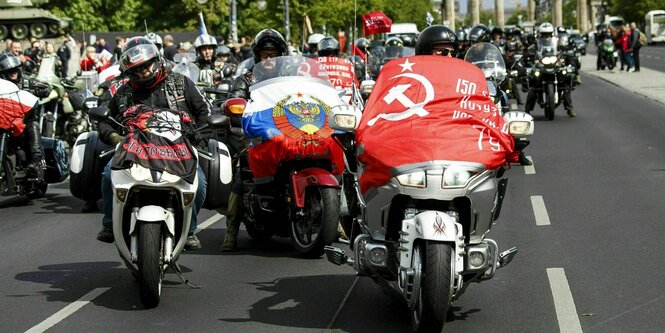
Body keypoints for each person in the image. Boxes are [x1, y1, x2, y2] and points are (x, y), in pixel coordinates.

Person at [95, 36, 210, 250]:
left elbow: (204, 112)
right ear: (129, 70)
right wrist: (114, 138)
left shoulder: (180, 83)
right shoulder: (123, 93)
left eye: (146, 65)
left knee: (200, 183)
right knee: (108, 173)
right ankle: (110, 224)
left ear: (156, 61)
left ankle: (190, 230)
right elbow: (103, 121)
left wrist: (199, 141)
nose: (143, 72)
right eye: (137, 69)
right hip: (135, 149)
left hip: (178, 148)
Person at [221, 28, 289, 251]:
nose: (268, 60)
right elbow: (236, 99)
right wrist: (237, 106)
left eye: (273, 55)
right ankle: (231, 230)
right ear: (257, 55)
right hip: (256, 135)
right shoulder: (246, 78)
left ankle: (333, 218)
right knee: (243, 172)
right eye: (264, 55)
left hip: (288, 133)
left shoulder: (289, 79)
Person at [0, 53, 51, 181]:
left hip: (24, 124)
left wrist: (35, 91)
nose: (13, 73)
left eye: (15, 70)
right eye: (9, 71)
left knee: (33, 126)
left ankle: (35, 162)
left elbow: (47, 88)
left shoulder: (28, 82)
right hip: (4, 122)